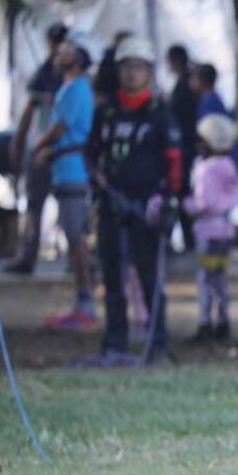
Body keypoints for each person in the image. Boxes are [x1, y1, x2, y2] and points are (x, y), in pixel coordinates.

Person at [85, 36, 182, 367]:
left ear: (149, 71)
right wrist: (98, 182)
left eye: (138, 67)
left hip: (146, 210)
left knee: (149, 279)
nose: (132, 73)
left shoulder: (159, 113)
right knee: (112, 279)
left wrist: (166, 200)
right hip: (111, 206)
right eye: (126, 66)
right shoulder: (107, 111)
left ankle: (157, 345)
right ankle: (115, 343)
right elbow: (92, 154)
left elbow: (174, 162)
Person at [33, 41, 97, 331]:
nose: (58, 56)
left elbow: (61, 128)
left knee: (76, 237)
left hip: (72, 171)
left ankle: (86, 305)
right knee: (73, 238)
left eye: (65, 52)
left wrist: (41, 144)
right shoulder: (70, 88)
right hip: (65, 168)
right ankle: (82, 302)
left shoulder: (76, 90)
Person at [3, 22, 67, 275]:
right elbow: (29, 112)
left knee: (70, 206)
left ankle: (75, 258)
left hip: (64, 151)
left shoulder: (74, 74)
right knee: (34, 206)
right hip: (40, 148)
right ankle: (27, 256)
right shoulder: (44, 73)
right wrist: (19, 142)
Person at [184, 114, 238, 343]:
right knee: (220, 279)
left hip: (207, 232)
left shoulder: (205, 169)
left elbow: (202, 202)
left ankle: (205, 322)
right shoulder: (230, 166)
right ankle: (224, 320)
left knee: (205, 280)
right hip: (226, 231)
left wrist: (185, 205)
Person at [167, 45, 199, 254]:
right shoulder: (185, 83)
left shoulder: (186, 85)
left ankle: (189, 239)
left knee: (182, 193)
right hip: (184, 147)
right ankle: (187, 238)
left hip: (185, 148)